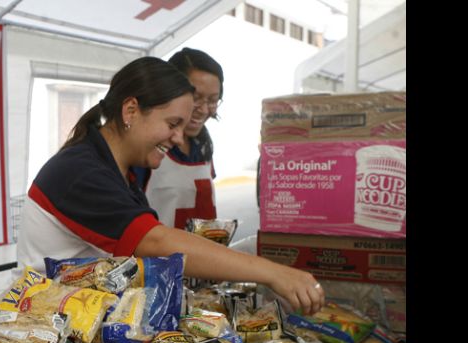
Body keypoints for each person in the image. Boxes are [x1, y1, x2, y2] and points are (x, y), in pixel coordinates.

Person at [17, 56, 323, 316]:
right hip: (40, 324)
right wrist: (272, 272)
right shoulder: (80, 170)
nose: (178, 138)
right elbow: (156, 242)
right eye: (172, 124)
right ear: (131, 111)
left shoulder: (119, 171)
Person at [137, 47, 224, 229]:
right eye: (196, 97)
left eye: (213, 100)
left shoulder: (203, 147)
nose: (204, 109)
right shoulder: (145, 150)